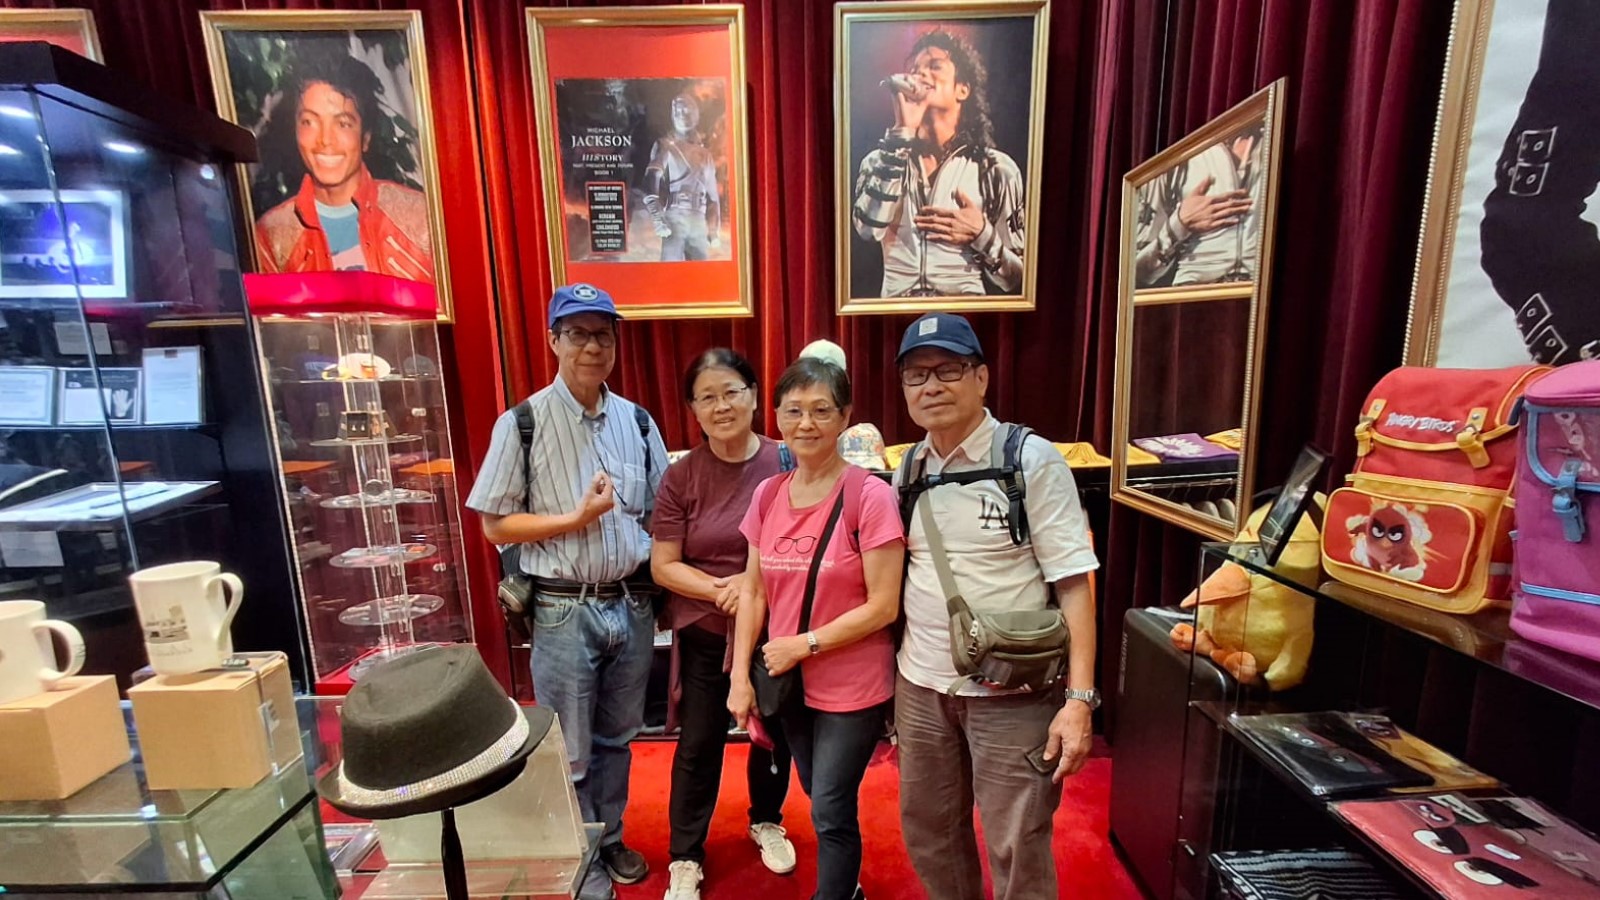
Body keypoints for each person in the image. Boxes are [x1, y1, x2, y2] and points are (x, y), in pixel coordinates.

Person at [465, 283, 669, 900]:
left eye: (602, 334)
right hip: (560, 609)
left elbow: (663, 511)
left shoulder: (638, 421)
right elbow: (494, 524)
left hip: (630, 603)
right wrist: (574, 520)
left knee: (619, 740)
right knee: (569, 749)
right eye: (577, 333)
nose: (591, 346)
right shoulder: (522, 423)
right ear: (553, 340)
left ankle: (610, 838)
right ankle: (579, 856)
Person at [891, 313, 1100, 900]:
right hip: (922, 687)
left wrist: (1080, 701)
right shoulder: (908, 467)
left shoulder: (1030, 460)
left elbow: (1075, 585)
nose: (931, 386)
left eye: (948, 370)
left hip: (1014, 692)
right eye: (915, 375)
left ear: (981, 377)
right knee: (930, 831)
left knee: (1017, 841)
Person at [728, 358, 904, 900]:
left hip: (852, 684)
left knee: (829, 804)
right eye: (794, 411)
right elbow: (753, 591)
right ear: (777, 416)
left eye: (821, 410)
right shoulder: (768, 494)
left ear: (845, 417)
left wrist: (805, 644)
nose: (806, 423)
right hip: (788, 683)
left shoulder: (869, 495)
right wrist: (740, 677)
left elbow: (884, 606)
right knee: (814, 788)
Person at [651, 348, 797, 900]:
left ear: (755, 396)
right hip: (708, 629)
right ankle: (685, 854)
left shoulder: (787, 460)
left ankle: (767, 819)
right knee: (699, 743)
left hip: (777, 627)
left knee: (775, 733)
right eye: (707, 397)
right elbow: (664, 565)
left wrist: (756, 590)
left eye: (732, 392)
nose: (721, 406)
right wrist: (726, 590)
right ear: (692, 408)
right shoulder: (681, 476)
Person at [852, 29, 1026, 298]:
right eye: (914, 69)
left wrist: (982, 234)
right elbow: (867, 230)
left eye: (934, 66)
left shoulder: (997, 169)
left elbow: (1016, 278)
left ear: (962, 89)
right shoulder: (880, 160)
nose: (920, 73)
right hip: (896, 311)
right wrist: (901, 134)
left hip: (966, 313)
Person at [253, 52, 434, 281]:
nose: (325, 140)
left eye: (343, 124)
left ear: (365, 138)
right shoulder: (272, 235)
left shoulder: (420, 218)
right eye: (309, 122)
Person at [1133, 122, 1262, 288]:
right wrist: (1179, 224)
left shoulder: (1276, 141)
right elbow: (1137, 273)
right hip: (1192, 292)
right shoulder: (1174, 157)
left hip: (1265, 290)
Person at [643, 90, 722, 261]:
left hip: (698, 219)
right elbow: (651, 181)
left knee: (701, 273)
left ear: (696, 114)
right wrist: (657, 217)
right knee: (671, 269)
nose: (682, 114)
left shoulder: (705, 155)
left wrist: (713, 230)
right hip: (675, 217)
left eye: (687, 109)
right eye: (678, 110)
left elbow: (713, 198)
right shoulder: (665, 146)